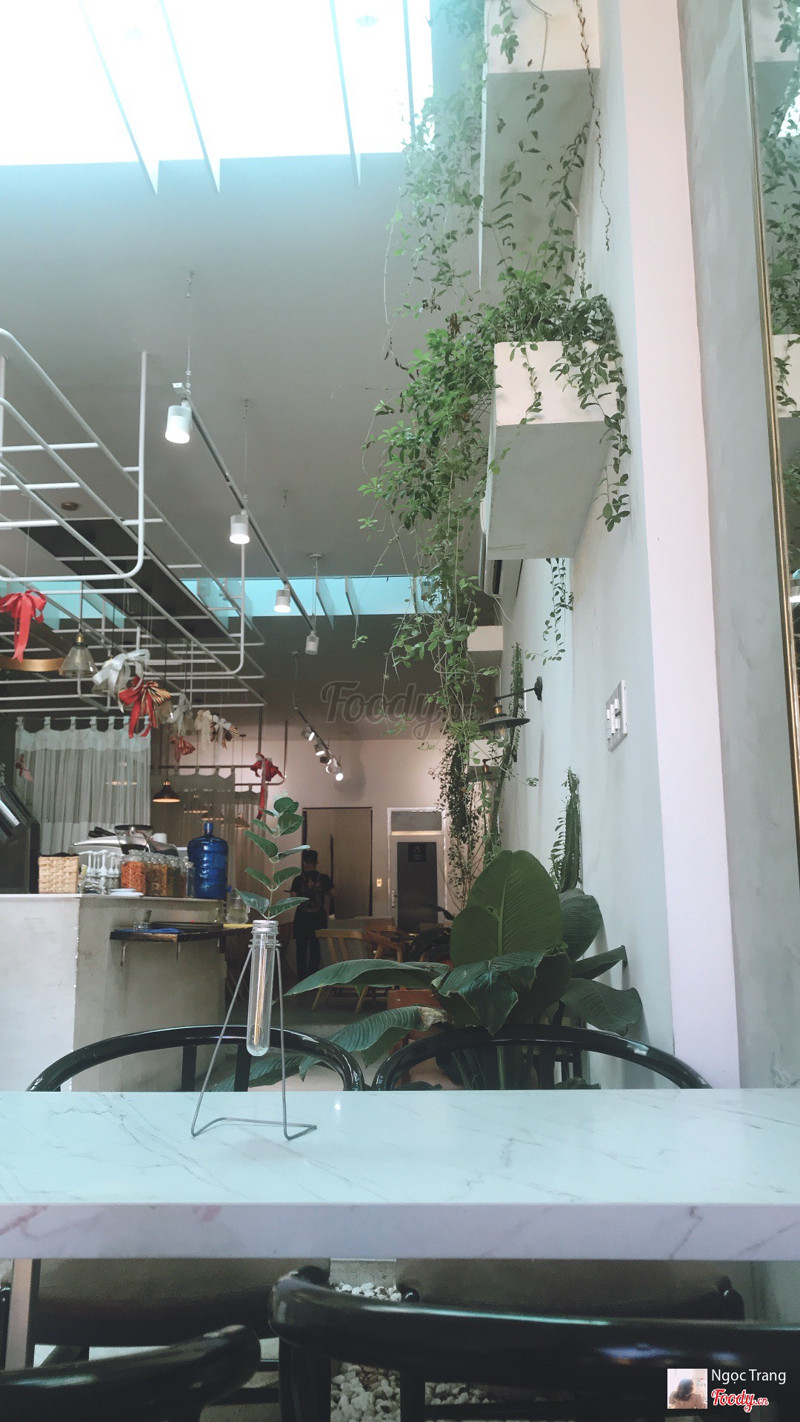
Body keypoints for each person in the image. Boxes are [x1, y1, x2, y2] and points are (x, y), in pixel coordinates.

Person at [290, 849, 334, 981]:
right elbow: (335, 894)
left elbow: (292, 899)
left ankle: (301, 978)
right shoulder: (324, 878)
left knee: (301, 949)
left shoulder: (298, 880)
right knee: (316, 948)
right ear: (316, 862)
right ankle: (313, 977)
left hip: (302, 918)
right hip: (318, 918)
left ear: (304, 862)